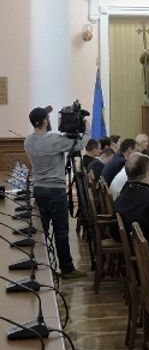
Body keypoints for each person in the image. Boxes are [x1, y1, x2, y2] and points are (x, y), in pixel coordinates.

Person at [24, 105, 88, 278]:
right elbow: (80, 144)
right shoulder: (54, 140)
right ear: (44, 121)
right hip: (56, 191)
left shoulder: (27, 141)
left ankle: (43, 270)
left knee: (42, 231)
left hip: (39, 190)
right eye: (48, 118)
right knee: (61, 231)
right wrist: (86, 128)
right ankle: (67, 268)